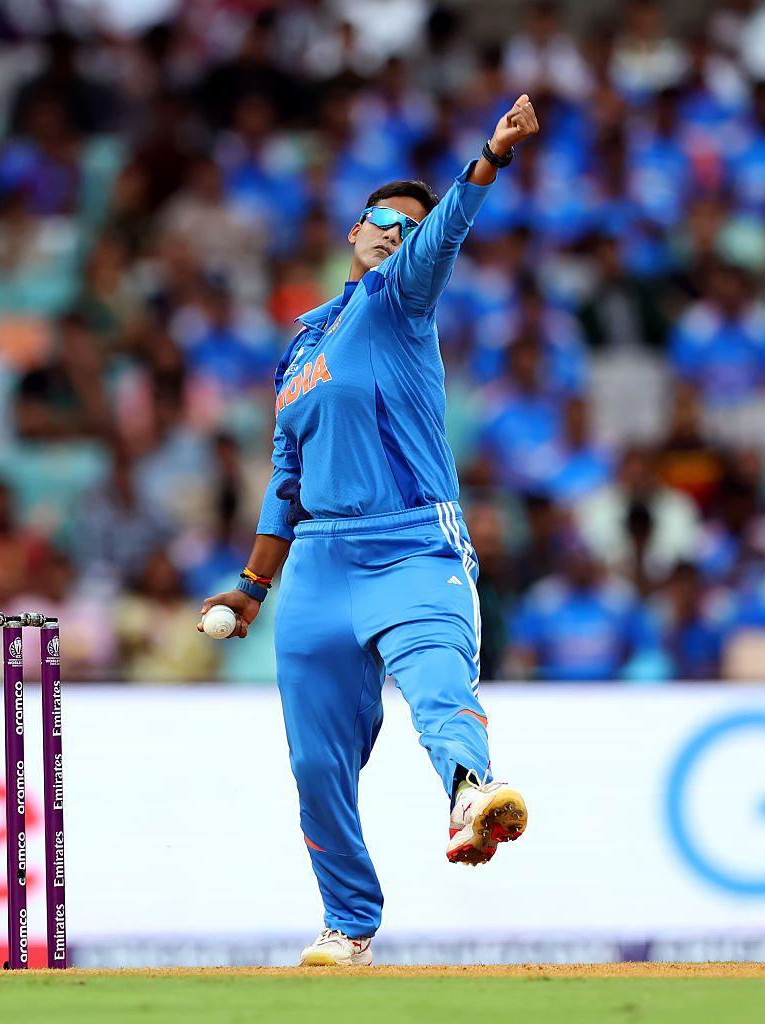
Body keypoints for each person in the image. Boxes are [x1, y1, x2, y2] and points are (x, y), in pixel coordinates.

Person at [200, 95, 539, 967]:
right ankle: (348, 925)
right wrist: (249, 587)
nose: (396, 231)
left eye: (409, 225)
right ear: (354, 230)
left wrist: (487, 161)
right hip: (316, 565)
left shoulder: (401, 300)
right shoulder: (306, 342)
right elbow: (285, 476)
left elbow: (445, 235)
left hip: (411, 546)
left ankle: (469, 796)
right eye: (383, 220)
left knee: (435, 684)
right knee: (317, 764)